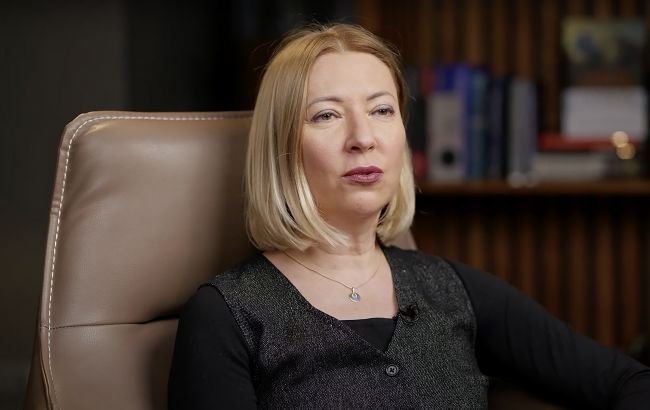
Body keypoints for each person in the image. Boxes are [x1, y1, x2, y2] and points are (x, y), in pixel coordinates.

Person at [168, 23, 650, 409]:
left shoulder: (451, 290)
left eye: (382, 110)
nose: (363, 138)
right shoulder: (226, 314)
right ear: (281, 148)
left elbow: (630, 381)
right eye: (326, 115)